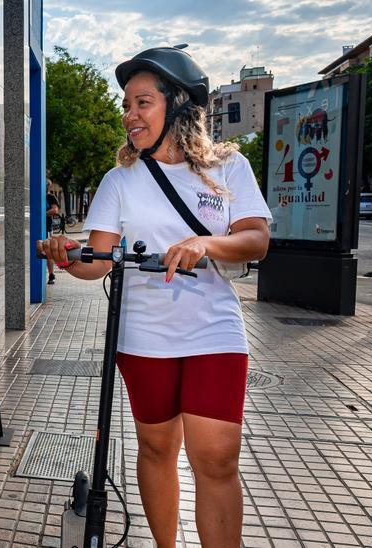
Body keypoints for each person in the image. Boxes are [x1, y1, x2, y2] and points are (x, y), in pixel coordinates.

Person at [36, 46, 271, 547]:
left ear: (179, 105)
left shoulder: (229, 167)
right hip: (144, 335)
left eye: (142, 102)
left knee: (217, 456)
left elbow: (256, 239)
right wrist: (63, 253)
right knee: (158, 448)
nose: (130, 115)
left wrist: (204, 242)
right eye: (127, 105)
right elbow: (95, 260)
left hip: (214, 330)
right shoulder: (120, 181)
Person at [45, 190, 61, 284]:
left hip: (47, 228)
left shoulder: (50, 197)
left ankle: (51, 274)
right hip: (36, 227)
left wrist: (43, 214)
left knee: (48, 251)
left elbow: (55, 210)